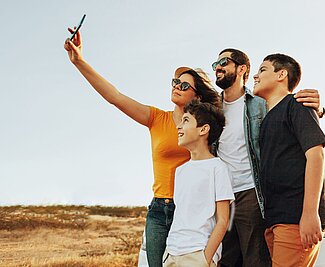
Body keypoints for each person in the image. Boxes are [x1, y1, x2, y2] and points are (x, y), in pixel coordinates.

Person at [63, 28, 221, 267]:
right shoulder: (156, 118)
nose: (177, 86)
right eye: (175, 82)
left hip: (191, 210)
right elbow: (114, 96)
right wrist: (79, 61)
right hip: (159, 208)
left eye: (185, 85)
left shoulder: (205, 126)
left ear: (197, 96)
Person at [211, 48, 324, 267]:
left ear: (241, 68)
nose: (218, 67)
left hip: (257, 198)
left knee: (257, 261)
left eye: (224, 62)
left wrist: (316, 110)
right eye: (215, 64)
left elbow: (311, 149)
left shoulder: (262, 103)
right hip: (225, 199)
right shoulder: (211, 108)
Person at [253, 53, 325, 267]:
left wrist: (309, 213)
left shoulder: (297, 105)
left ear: (281, 74)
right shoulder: (268, 117)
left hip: (295, 216)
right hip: (276, 217)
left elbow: (316, 155)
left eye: (262, 70)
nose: (255, 76)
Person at [163, 100, 234, 267]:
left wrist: (205, 258)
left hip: (197, 254)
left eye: (186, 120)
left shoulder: (217, 167)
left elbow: (223, 220)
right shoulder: (180, 171)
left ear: (204, 129)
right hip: (172, 253)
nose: (179, 127)